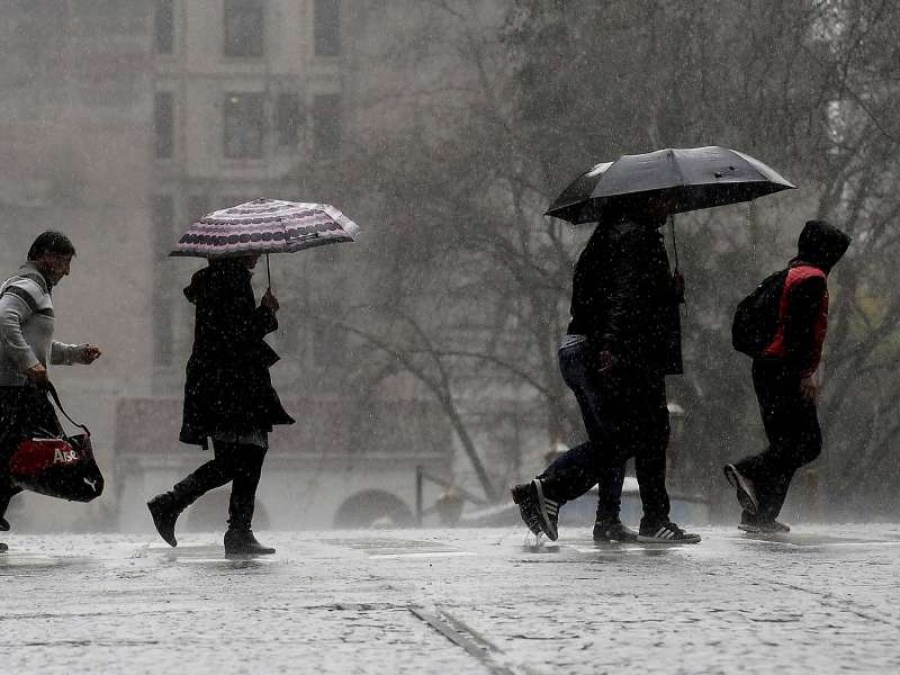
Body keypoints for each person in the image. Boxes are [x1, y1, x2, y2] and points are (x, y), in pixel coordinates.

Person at [513, 205, 701, 544]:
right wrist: (613, 344)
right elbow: (624, 298)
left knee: (614, 437)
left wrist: (667, 294)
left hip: (577, 347)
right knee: (636, 435)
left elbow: (609, 296)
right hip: (609, 351)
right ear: (648, 199)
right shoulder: (636, 237)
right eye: (666, 200)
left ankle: (607, 518)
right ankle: (548, 489)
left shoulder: (605, 239)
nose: (671, 208)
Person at [147, 254, 294, 556]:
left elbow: (228, 332)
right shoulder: (232, 281)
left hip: (219, 383)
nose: (255, 252)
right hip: (232, 385)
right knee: (246, 454)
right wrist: (265, 313)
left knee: (242, 455)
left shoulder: (217, 280)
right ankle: (183, 508)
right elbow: (237, 336)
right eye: (251, 247)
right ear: (236, 252)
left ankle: (233, 528)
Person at [724, 220, 850, 533]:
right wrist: (805, 373)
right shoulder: (813, 279)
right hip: (785, 368)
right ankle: (747, 470)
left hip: (766, 367)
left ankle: (760, 515)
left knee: (787, 445)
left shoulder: (786, 274)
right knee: (807, 443)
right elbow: (799, 331)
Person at [0, 231, 102, 552]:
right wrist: (30, 364)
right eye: (65, 262)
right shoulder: (29, 285)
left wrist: (74, 354)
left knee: (17, 458)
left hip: (22, 389)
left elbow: (38, 345)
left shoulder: (36, 288)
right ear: (48, 257)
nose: (67, 272)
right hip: (15, 391)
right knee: (37, 458)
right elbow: (3, 318)